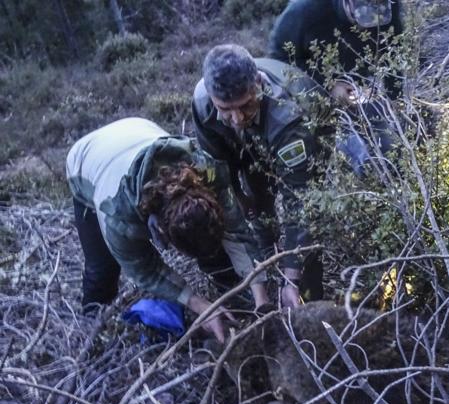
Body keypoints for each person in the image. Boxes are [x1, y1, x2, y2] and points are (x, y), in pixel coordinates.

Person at [67, 117, 270, 342]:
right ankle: (93, 333)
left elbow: (237, 232)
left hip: (136, 128)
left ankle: (230, 292)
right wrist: (200, 304)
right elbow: (146, 270)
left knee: (214, 246)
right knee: (102, 269)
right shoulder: (117, 216)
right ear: (162, 232)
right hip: (86, 162)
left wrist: (262, 300)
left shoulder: (205, 169)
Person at [192, 44, 332, 308]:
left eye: (244, 105)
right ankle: (267, 264)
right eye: (225, 108)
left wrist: (292, 277)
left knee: (309, 220)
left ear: (257, 83)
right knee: (257, 204)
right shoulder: (203, 103)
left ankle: (311, 295)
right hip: (250, 143)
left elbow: (301, 201)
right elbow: (220, 168)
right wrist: (239, 196)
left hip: (307, 133)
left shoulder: (288, 117)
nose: (236, 118)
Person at [269, 0, 403, 174]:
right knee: (331, 161)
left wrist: (395, 98)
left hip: (359, 88)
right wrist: (329, 85)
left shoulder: (388, 4)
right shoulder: (304, 11)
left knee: (389, 155)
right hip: (309, 92)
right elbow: (278, 62)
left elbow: (395, 49)